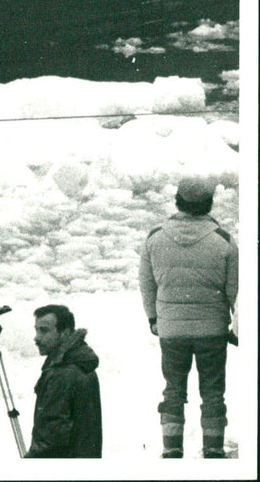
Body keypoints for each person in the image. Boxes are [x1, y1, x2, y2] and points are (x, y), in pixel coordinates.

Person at [139, 175, 238, 459]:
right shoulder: (225, 242)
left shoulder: (155, 238)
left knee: (173, 389)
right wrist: (236, 326)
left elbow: (147, 284)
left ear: (177, 201)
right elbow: (236, 291)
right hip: (213, 329)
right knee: (213, 392)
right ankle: (213, 447)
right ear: (209, 203)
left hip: (171, 329)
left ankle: (171, 448)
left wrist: (153, 318)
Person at [24, 304, 102, 458]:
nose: (36, 337)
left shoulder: (62, 374)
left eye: (44, 330)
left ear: (65, 333)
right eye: (36, 330)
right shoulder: (81, 362)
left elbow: (52, 438)